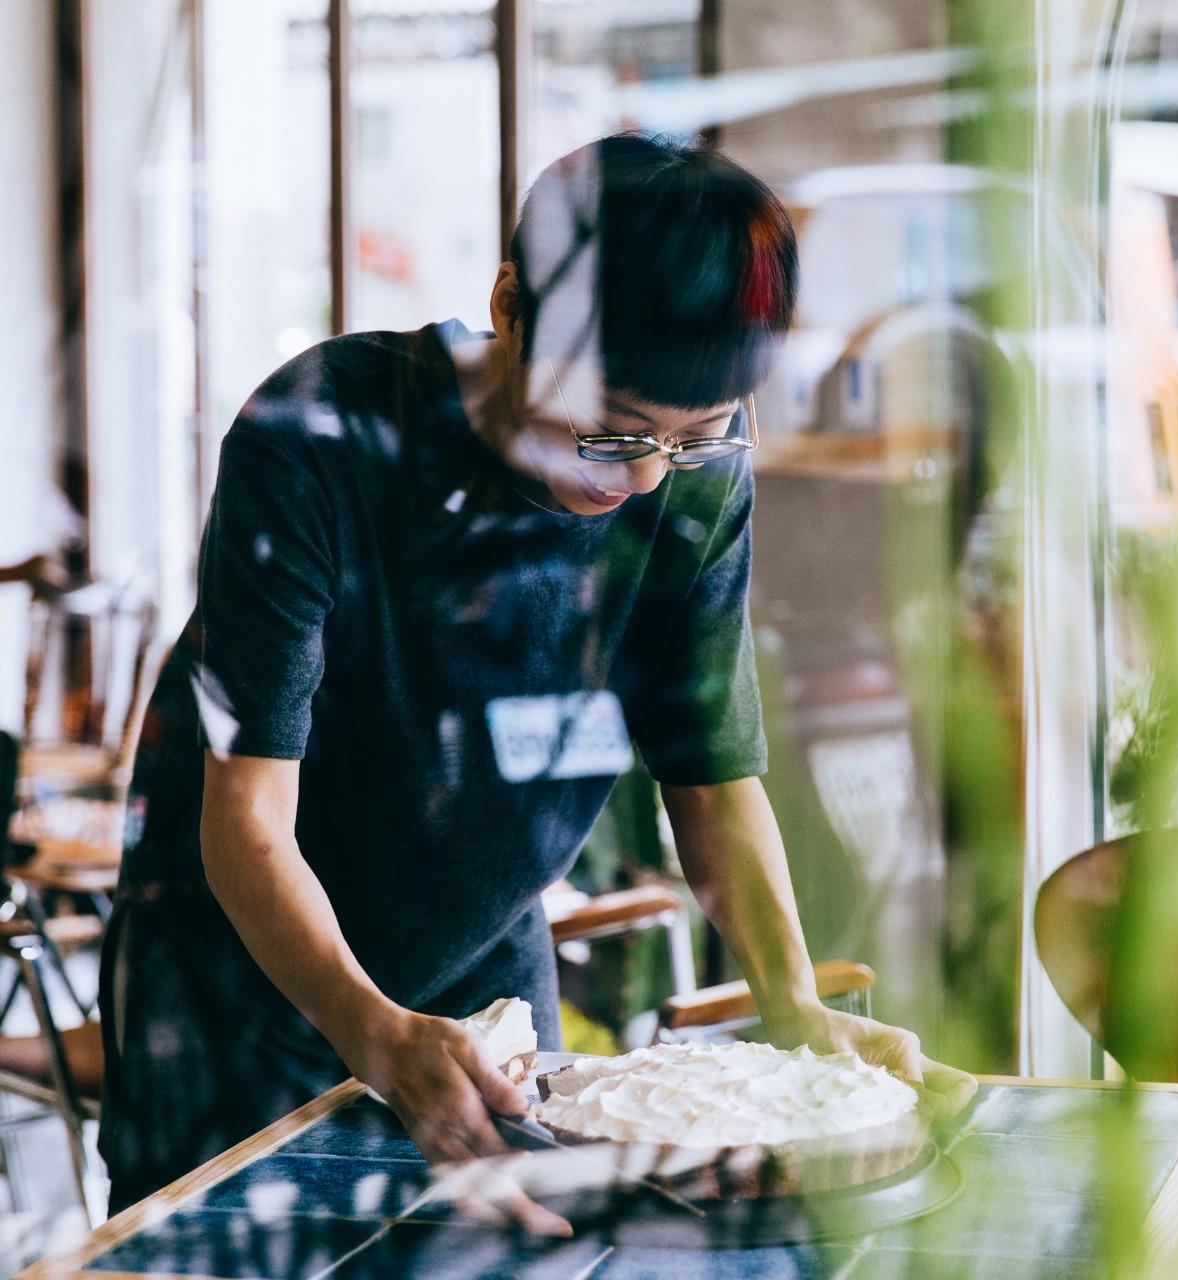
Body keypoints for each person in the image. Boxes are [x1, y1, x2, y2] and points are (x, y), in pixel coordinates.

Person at [99, 133, 974, 1222]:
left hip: (484, 973)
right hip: (241, 993)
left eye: (690, 439)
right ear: (509, 307)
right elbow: (247, 819)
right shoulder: (321, 436)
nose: (644, 476)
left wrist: (792, 1004)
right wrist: (375, 1033)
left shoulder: (693, 489)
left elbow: (707, 776)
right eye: (607, 426)